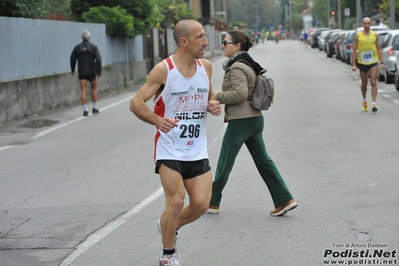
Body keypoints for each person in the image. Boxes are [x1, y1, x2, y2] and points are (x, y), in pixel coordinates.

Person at [129, 19, 221, 266]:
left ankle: (167, 225)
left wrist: (212, 103)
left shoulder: (207, 67)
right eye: (201, 37)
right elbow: (136, 103)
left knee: (201, 204)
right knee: (177, 201)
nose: (206, 41)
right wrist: (157, 120)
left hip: (197, 148)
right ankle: (168, 255)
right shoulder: (164, 70)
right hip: (169, 147)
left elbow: (209, 92)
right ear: (184, 41)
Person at [206, 29, 297, 217]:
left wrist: (216, 96)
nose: (222, 46)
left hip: (242, 120)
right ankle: (284, 199)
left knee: (225, 161)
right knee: (263, 161)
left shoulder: (238, 66)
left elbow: (239, 94)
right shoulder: (248, 63)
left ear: (237, 45)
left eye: (226, 42)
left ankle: (212, 202)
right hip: (255, 119)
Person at [351, 17, 385, 112]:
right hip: (362, 62)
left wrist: (382, 62)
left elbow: (378, 49)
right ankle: (365, 100)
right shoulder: (358, 36)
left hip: (373, 61)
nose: (366, 25)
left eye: (368, 23)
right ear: (362, 24)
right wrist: (354, 64)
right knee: (364, 84)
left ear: (371, 24)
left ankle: (373, 103)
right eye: (365, 23)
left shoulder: (375, 35)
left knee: (373, 82)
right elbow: (354, 50)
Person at [70, 29, 102, 116]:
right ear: (89, 37)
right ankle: (94, 108)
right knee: (93, 88)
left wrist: (73, 69)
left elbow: (72, 58)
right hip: (92, 72)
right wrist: (98, 71)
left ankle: (85, 110)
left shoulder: (77, 48)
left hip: (82, 72)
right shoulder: (94, 47)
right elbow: (98, 59)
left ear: (82, 37)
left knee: (83, 90)